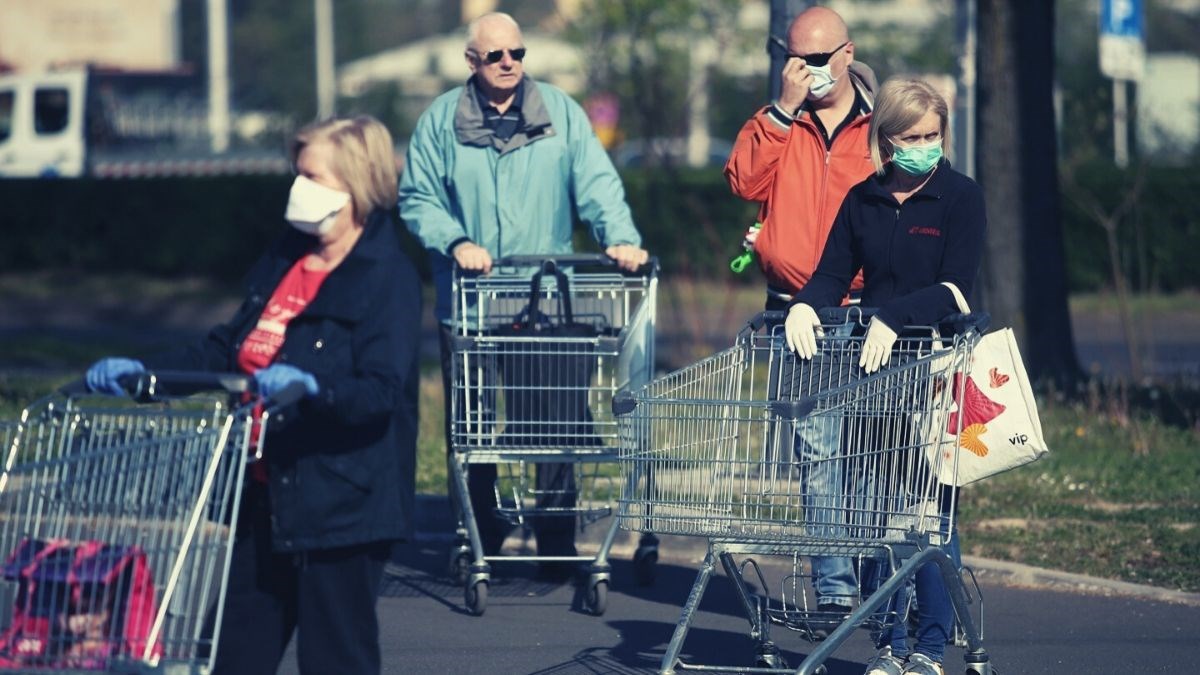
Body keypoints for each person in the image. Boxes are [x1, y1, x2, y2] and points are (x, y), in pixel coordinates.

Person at [85, 115, 420, 675]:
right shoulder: (286, 255)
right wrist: (147, 376)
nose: (299, 188)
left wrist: (313, 391)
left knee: (336, 657)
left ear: (356, 185)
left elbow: (382, 390)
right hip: (268, 491)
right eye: (297, 172)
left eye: (313, 176)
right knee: (236, 651)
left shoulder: (386, 276)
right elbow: (228, 347)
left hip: (343, 503)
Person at [398, 11, 649, 579]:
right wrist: (455, 240)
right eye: (496, 56)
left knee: (553, 420)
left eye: (517, 53)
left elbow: (597, 184)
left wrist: (623, 240)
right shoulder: (441, 120)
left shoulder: (560, 111)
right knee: (474, 427)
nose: (509, 63)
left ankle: (556, 542)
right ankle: (481, 532)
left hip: (547, 299)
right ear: (472, 62)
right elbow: (417, 198)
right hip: (471, 299)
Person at [784, 78, 986, 675]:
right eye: (913, 136)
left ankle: (927, 646)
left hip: (934, 371)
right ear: (886, 140)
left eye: (934, 135)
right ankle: (889, 645)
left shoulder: (960, 196)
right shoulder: (863, 199)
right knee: (875, 515)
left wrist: (897, 317)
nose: (926, 145)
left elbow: (955, 287)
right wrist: (804, 304)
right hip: (871, 374)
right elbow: (831, 274)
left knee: (927, 514)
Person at [724, 5, 878, 633]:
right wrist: (782, 113)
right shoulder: (779, 123)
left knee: (874, 453)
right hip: (797, 314)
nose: (807, 70)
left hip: (870, 313)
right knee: (817, 455)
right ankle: (836, 588)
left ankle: (877, 576)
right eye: (795, 58)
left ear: (847, 53)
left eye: (818, 59)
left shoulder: (880, 125)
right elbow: (741, 179)